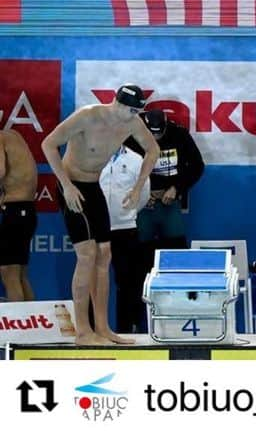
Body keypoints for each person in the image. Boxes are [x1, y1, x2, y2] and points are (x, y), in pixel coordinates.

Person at [40, 83, 159, 344]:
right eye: (132, 110)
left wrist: (139, 186)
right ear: (119, 103)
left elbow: (153, 150)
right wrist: (66, 185)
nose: (135, 116)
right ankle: (83, 331)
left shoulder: (132, 123)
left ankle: (103, 328)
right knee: (87, 254)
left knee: (105, 254)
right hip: (72, 187)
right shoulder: (87, 116)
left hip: (93, 188)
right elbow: (48, 144)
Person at [134, 108, 205, 253]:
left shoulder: (179, 134)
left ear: (166, 125)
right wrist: (140, 193)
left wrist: (176, 188)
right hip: (142, 205)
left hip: (169, 202)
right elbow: (121, 170)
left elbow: (197, 166)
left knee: (177, 248)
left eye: (159, 133)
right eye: (152, 134)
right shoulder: (132, 136)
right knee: (139, 252)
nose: (156, 137)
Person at [100, 141, 151, 333]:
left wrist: (127, 213)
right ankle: (92, 328)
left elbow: (143, 193)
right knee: (93, 280)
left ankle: (126, 329)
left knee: (127, 283)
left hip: (125, 228)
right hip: (98, 229)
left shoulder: (136, 160)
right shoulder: (92, 156)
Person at [0, 129, 38, 301]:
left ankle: (18, 326)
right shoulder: (14, 135)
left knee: (9, 272)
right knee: (20, 274)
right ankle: (31, 325)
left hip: (15, 212)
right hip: (26, 211)